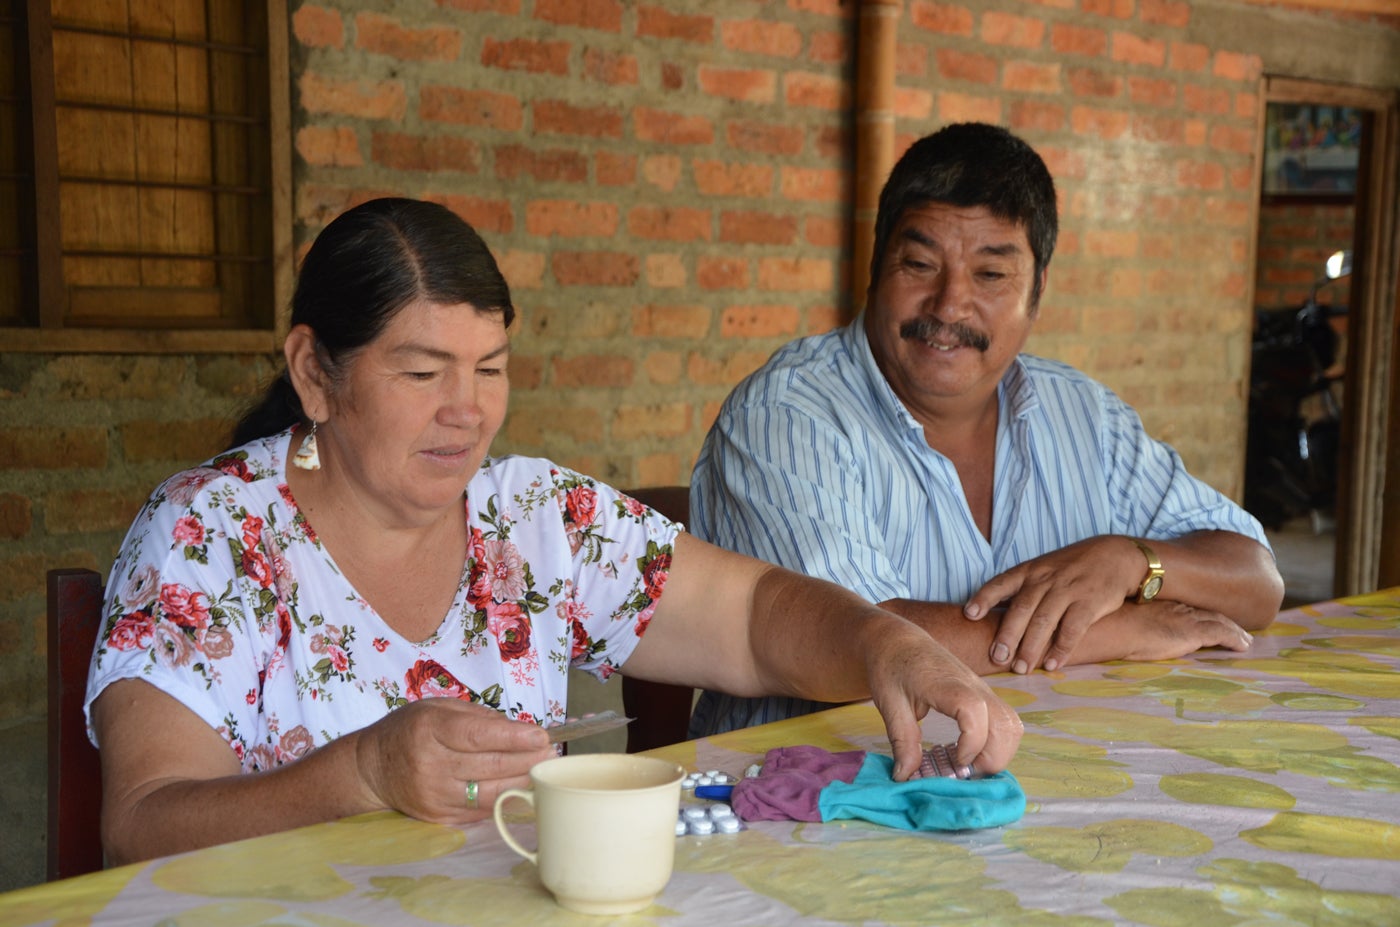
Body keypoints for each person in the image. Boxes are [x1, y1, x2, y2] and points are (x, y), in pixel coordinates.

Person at [85, 197, 1022, 866]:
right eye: (422, 374)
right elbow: (142, 823)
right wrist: (362, 771)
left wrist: (883, 644)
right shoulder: (209, 536)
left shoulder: (535, 519)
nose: (468, 411)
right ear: (314, 371)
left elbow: (749, 617)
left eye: (489, 368)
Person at [688, 123, 1284, 737]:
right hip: (808, 794)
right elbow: (846, 642)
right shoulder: (786, 415)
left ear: (1038, 291)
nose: (949, 307)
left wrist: (1135, 563)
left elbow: (1257, 583)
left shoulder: (1083, 415)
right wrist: (1116, 631)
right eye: (919, 264)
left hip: (1048, 784)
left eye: (991, 275)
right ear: (875, 267)